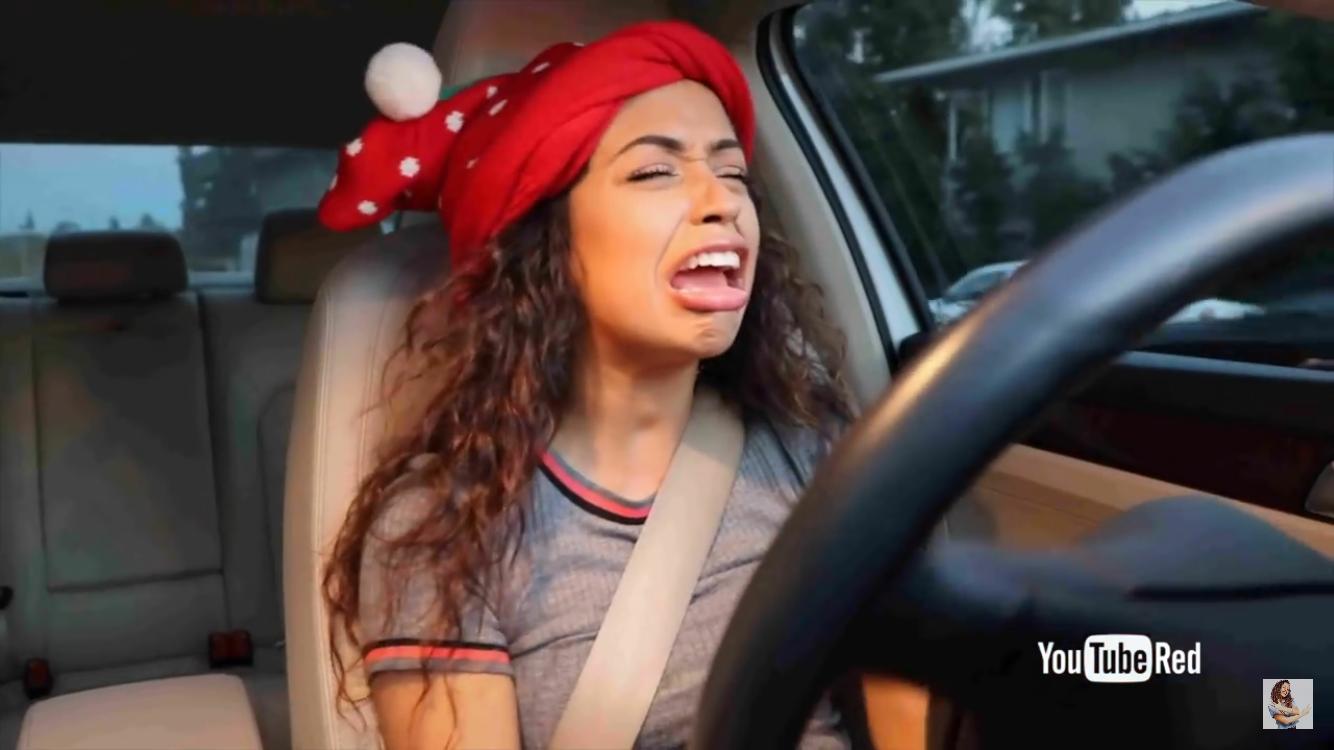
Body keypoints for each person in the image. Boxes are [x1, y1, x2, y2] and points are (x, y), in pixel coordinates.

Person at [318, 20, 857, 750]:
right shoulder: (445, 527)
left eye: (733, 173)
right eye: (655, 171)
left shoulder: (809, 444)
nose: (722, 201)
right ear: (546, 245)